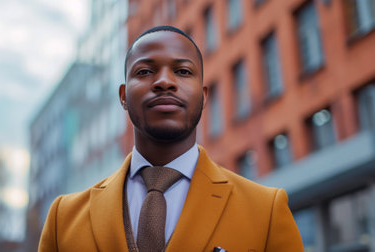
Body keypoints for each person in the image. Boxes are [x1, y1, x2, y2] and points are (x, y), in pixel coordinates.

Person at [38, 26, 304, 252]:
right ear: (123, 96)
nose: (164, 82)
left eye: (183, 72)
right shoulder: (64, 219)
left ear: (204, 96)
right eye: (144, 72)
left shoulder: (266, 211)